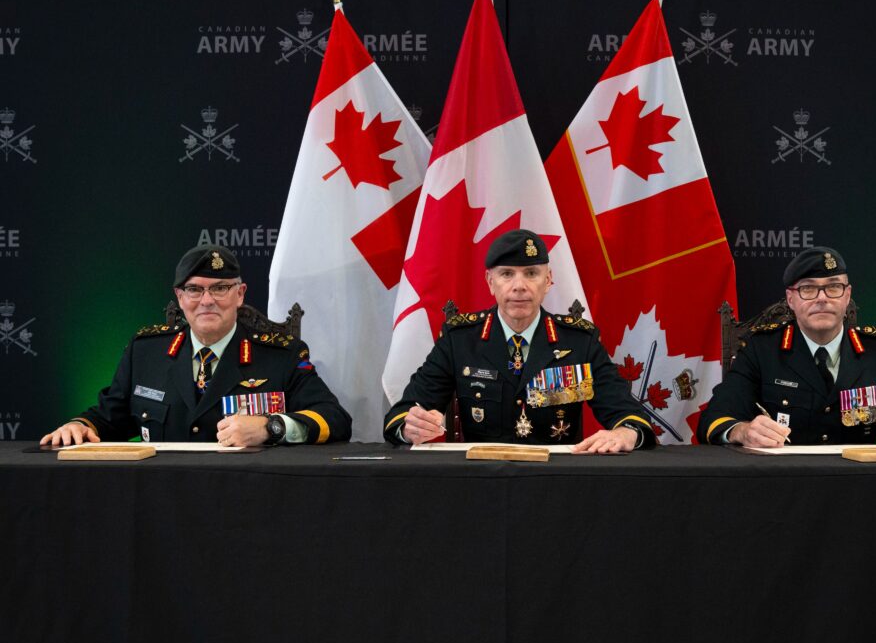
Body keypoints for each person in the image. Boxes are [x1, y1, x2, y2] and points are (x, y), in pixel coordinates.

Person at [41, 245, 351, 447]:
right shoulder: (145, 352)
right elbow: (111, 418)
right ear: (179, 297)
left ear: (240, 294)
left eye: (220, 288)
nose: (207, 301)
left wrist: (272, 428)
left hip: (251, 500)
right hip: (161, 501)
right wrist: (79, 426)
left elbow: (335, 420)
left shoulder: (281, 355)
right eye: (194, 290)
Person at [384, 229, 655, 452]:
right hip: (482, 482)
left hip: (557, 483)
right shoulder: (460, 341)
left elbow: (629, 414)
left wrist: (625, 433)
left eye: (531, 273)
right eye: (506, 274)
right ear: (490, 282)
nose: (519, 286)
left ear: (548, 280)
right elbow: (401, 414)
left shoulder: (580, 342)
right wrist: (411, 427)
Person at [698, 246, 876, 448]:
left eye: (833, 288)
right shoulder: (761, 350)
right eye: (808, 289)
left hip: (859, 490)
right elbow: (714, 419)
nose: (822, 299)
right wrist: (742, 430)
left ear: (848, 296)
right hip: (782, 489)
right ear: (791, 299)